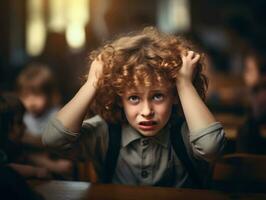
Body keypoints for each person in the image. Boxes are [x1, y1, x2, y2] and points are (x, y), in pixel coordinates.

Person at [43, 27, 226, 188]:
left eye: (157, 96)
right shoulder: (105, 131)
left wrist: (184, 84)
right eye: (133, 98)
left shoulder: (186, 132)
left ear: (175, 96)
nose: (147, 111)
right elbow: (53, 140)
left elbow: (211, 147)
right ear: (119, 99)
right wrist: (93, 83)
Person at [16, 64, 73, 177]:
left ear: (50, 94)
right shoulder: (22, 116)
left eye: (37, 95)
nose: (31, 102)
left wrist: (27, 138)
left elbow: (57, 141)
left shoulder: (57, 114)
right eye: (25, 96)